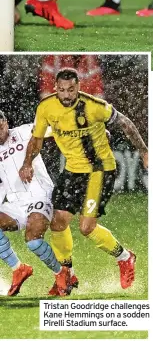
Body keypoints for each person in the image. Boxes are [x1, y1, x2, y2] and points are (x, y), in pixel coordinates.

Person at [19, 68, 148, 293]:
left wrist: (145, 152)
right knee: (58, 222)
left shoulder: (94, 106)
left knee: (87, 228)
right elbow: (37, 139)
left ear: (78, 87)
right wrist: (27, 163)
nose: (66, 95)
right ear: (55, 88)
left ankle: (126, 257)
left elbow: (125, 123)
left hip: (100, 170)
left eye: (71, 90)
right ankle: (67, 275)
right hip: (72, 170)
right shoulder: (46, 107)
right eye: (61, 90)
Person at [0, 111, 72, 297]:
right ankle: (19, 268)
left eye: (0, 127)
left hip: (40, 196)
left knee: (33, 240)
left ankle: (61, 273)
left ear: (6, 123)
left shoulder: (24, 131)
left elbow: (55, 128)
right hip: (16, 204)